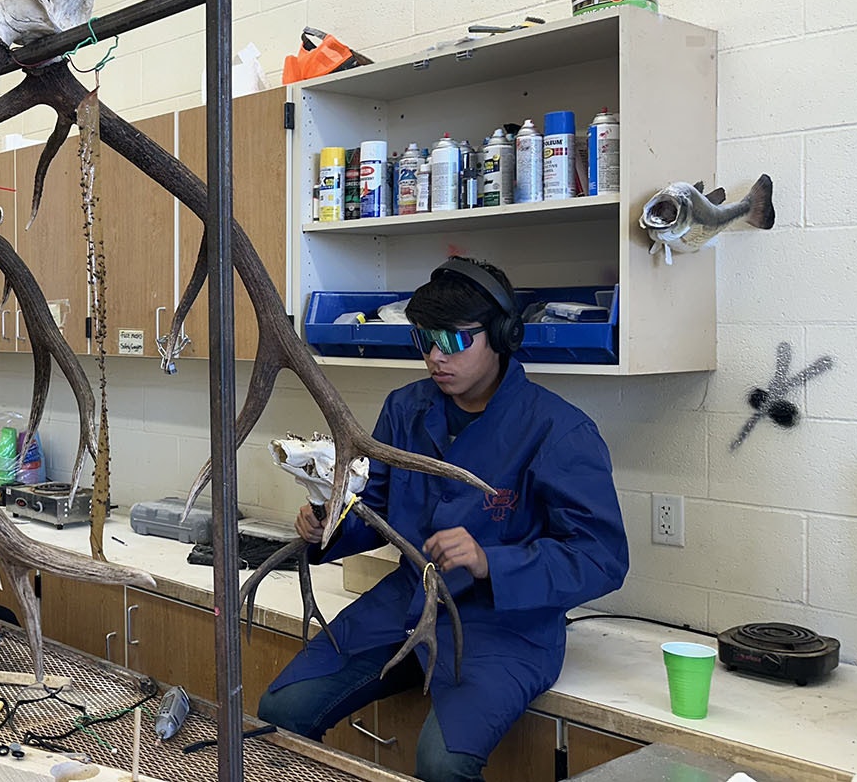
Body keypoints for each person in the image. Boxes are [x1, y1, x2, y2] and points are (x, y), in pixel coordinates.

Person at [256, 257, 629, 782]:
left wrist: (488, 562)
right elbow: (377, 509)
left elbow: (601, 558)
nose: (435, 357)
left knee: (442, 765)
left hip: (504, 628)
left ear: (502, 335)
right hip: (405, 602)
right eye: (424, 340)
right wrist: (329, 524)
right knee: (282, 714)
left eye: (453, 341)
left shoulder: (559, 431)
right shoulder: (405, 409)